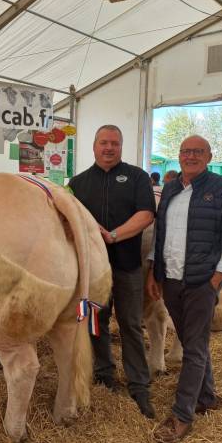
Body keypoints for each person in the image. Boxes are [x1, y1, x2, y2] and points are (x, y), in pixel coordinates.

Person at [146, 135, 222, 443]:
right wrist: (154, 271)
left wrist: (215, 281)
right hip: (171, 280)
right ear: (179, 156)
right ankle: (208, 397)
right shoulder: (173, 189)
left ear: (208, 156)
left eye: (197, 152)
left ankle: (182, 414)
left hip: (202, 282)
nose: (190, 156)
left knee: (194, 347)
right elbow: (160, 235)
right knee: (193, 341)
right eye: (186, 151)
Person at [69, 125, 156, 419]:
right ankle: (103, 373)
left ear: (121, 147)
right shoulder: (78, 183)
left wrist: (114, 235)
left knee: (131, 324)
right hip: (92, 270)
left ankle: (138, 384)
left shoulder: (137, 177)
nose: (109, 148)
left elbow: (146, 214)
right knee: (95, 322)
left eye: (115, 143)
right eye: (104, 143)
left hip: (128, 265)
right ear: (94, 147)